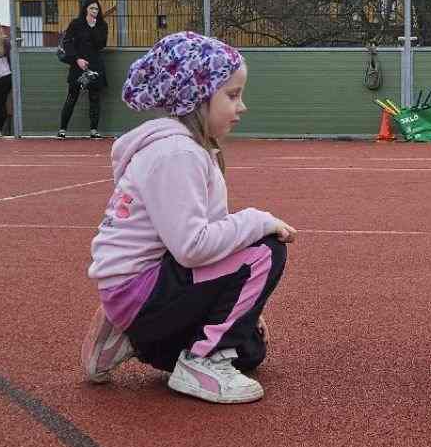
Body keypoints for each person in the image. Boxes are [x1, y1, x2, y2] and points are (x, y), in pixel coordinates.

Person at [83, 31, 294, 404]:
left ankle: (126, 337)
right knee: (265, 250)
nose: (242, 107)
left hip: (141, 294)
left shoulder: (189, 150)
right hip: (142, 294)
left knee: (250, 350)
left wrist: (245, 307)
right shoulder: (176, 154)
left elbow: (212, 244)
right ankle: (202, 363)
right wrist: (257, 220)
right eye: (232, 95)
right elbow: (193, 247)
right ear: (197, 97)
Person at [58, 0, 109, 138]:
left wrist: (93, 28)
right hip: (78, 64)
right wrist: (77, 59)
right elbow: (67, 42)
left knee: (94, 97)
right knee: (72, 96)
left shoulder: (102, 25)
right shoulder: (76, 24)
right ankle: (62, 129)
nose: (94, 11)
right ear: (85, 9)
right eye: (92, 8)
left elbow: (101, 44)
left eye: (97, 9)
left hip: (95, 64)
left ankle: (93, 130)